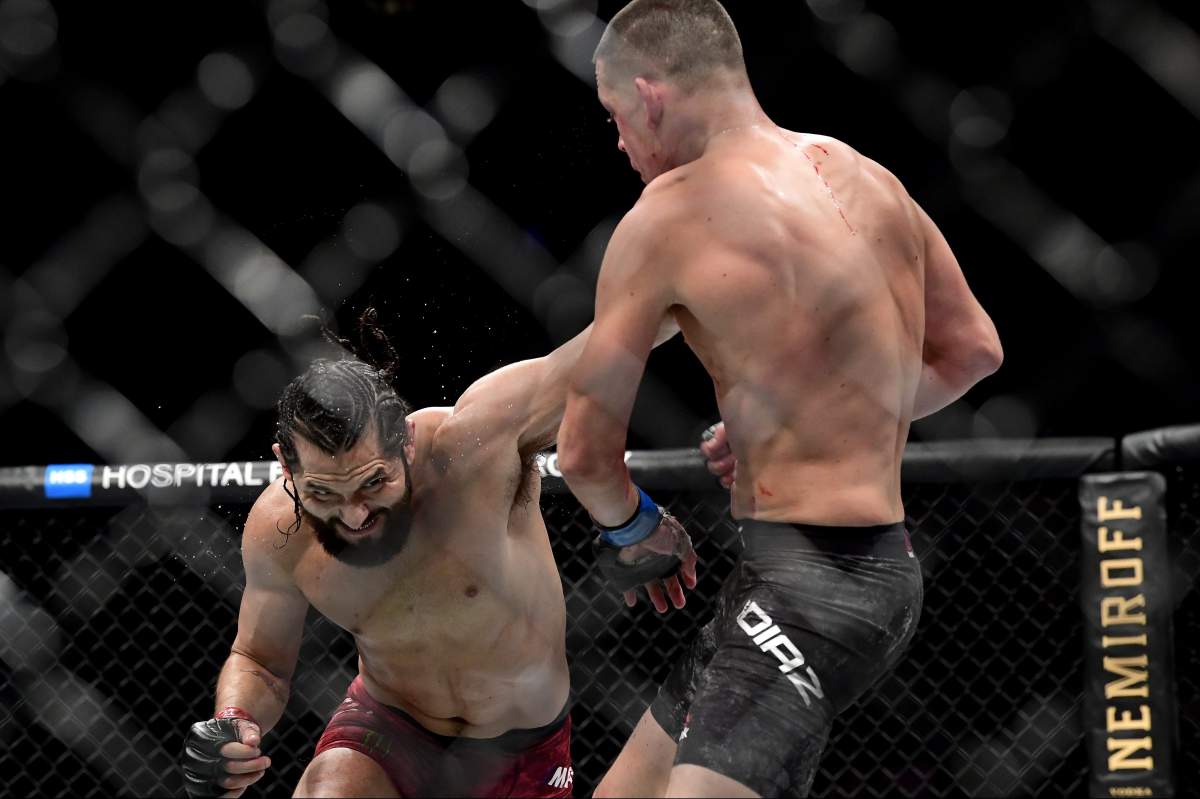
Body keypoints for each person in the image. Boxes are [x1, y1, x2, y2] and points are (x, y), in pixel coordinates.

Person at [556, 1, 1004, 796]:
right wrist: (814, 415)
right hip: (860, 572)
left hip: (807, 594)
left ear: (650, 96)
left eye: (615, 115)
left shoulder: (667, 216)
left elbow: (586, 454)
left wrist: (636, 525)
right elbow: (974, 350)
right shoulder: (865, 175)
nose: (619, 142)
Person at [179, 314, 695, 799]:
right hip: (388, 730)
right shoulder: (279, 531)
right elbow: (261, 661)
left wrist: (703, 283)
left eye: (373, 482)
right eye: (323, 494)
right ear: (286, 468)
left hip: (523, 747)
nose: (354, 515)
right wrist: (235, 720)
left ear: (404, 440)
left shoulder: (475, 447)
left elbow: (622, 335)